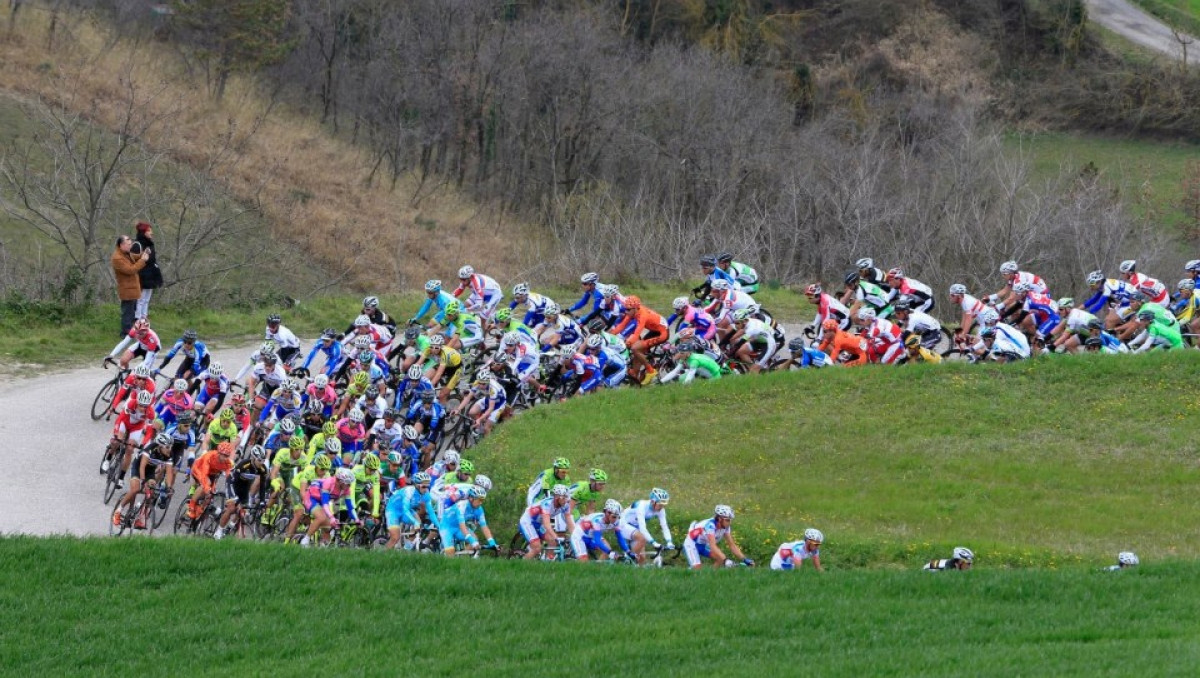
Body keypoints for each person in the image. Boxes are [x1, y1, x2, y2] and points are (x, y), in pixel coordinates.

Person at [213, 445, 269, 540]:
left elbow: (262, 486)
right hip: (232, 484)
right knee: (231, 508)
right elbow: (233, 480)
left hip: (244, 487)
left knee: (244, 511)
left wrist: (263, 501)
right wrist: (235, 499)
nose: (261, 463)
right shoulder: (244, 465)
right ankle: (219, 531)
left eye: (263, 460)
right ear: (253, 458)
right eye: (259, 460)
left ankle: (230, 526)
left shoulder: (263, 469)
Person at [682, 505, 753, 570]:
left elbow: (732, 545)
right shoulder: (710, 525)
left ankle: (710, 576)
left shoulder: (726, 527)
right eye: (727, 520)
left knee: (720, 558)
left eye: (730, 520)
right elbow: (713, 546)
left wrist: (745, 559)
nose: (729, 523)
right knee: (697, 568)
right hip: (691, 544)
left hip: (703, 544)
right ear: (719, 519)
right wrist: (726, 560)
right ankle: (687, 573)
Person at [518, 484, 577, 560]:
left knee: (552, 541)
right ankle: (521, 565)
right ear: (557, 497)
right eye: (564, 497)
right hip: (528, 521)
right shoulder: (547, 504)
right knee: (537, 548)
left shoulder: (565, 505)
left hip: (539, 523)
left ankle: (547, 563)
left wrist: (575, 535)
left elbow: (569, 521)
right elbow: (546, 524)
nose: (566, 500)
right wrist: (555, 536)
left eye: (567, 497)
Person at [618, 488, 674, 565]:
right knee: (642, 539)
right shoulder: (641, 506)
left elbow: (664, 526)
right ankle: (628, 558)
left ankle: (632, 568)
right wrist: (653, 543)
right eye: (660, 504)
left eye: (663, 505)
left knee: (642, 558)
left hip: (635, 528)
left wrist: (669, 542)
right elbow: (643, 529)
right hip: (623, 524)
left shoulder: (660, 510)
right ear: (652, 501)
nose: (662, 507)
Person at [383, 471, 435, 550]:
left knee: (419, 524)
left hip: (406, 510)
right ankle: (382, 554)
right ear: (417, 485)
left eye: (427, 486)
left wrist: (439, 525)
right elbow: (405, 510)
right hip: (393, 510)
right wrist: (414, 522)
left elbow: (431, 513)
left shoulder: (426, 493)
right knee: (395, 537)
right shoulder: (408, 491)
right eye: (424, 486)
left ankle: (406, 549)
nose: (426, 489)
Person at [111, 234, 150, 336]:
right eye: (128, 244)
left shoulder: (126, 254)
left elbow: (135, 256)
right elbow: (130, 270)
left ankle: (131, 332)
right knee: (127, 313)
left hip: (133, 289)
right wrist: (142, 260)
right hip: (127, 290)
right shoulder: (117, 258)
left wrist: (143, 254)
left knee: (132, 312)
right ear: (121, 245)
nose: (130, 246)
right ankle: (125, 333)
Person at [439, 486, 496, 556]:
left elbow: (484, 527)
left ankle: (462, 558)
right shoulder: (462, 505)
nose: (481, 503)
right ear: (471, 498)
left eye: (482, 500)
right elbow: (462, 526)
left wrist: (492, 543)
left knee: (475, 539)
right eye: (479, 500)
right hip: (446, 527)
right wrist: (472, 541)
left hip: (457, 527)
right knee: (450, 553)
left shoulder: (479, 509)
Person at [133, 221, 161, 320]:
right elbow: (134, 262)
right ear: (143, 232)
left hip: (151, 276)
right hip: (142, 276)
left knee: (146, 299)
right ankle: (138, 320)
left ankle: (144, 319)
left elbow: (153, 260)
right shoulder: (137, 245)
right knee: (140, 300)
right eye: (149, 230)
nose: (151, 232)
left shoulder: (150, 244)